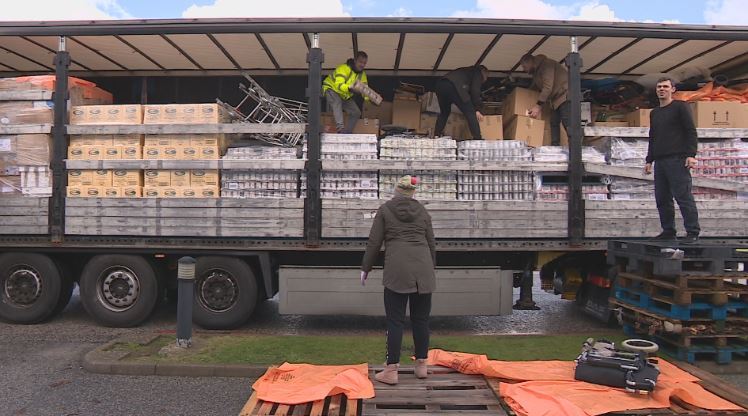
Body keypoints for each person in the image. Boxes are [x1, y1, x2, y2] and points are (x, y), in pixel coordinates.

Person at [361, 175, 436, 385]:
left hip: (396, 271)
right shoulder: (423, 211)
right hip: (423, 270)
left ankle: (391, 370)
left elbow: (374, 243)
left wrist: (365, 268)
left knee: (395, 321)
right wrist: (431, 268)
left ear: (396, 191)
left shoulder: (385, 210)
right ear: (413, 193)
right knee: (421, 320)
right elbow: (431, 243)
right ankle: (421, 366)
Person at [644, 77, 700, 244]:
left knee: (683, 196)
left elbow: (690, 131)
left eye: (666, 87)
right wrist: (649, 160)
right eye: (659, 87)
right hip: (660, 161)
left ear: (673, 89)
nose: (662, 89)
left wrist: (691, 154)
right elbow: (653, 136)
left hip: (677, 159)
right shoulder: (655, 112)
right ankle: (668, 230)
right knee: (662, 198)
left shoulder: (680, 107)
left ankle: (692, 231)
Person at [519, 53, 569, 146]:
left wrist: (538, 106)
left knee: (568, 124)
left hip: (564, 96)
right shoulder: (537, 71)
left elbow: (547, 87)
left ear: (531, 62)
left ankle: (575, 151)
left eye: (525, 67)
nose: (524, 70)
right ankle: (555, 147)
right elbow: (535, 87)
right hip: (555, 100)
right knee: (554, 122)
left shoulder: (547, 65)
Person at [434, 65, 488, 140]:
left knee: (444, 112)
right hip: (454, 85)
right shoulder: (477, 72)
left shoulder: (465, 71)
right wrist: (477, 109)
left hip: (440, 85)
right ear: (484, 72)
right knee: (470, 112)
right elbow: (475, 91)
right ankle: (477, 138)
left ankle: (436, 135)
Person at [322, 51, 369, 133]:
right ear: (355, 61)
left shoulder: (362, 75)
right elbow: (338, 85)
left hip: (344, 95)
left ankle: (347, 132)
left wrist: (370, 98)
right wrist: (350, 88)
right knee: (337, 102)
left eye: (364, 63)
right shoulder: (343, 68)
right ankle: (340, 128)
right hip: (331, 89)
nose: (362, 65)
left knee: (356, 112)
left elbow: (365, 90)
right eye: (360, 62)